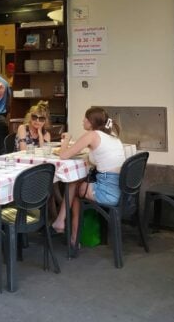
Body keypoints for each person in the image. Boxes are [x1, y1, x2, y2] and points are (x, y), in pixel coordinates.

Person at [52, 107, 124, 255]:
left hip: (107, 192)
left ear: (91, 122)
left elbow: (63, 155)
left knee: (75, 188)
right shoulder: (112, 136)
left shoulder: (91, 135)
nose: (83, 120)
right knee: (77, 181)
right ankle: (61, 221)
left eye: (85, 118)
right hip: (120, 189)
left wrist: (66, 139)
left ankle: (71, 233)